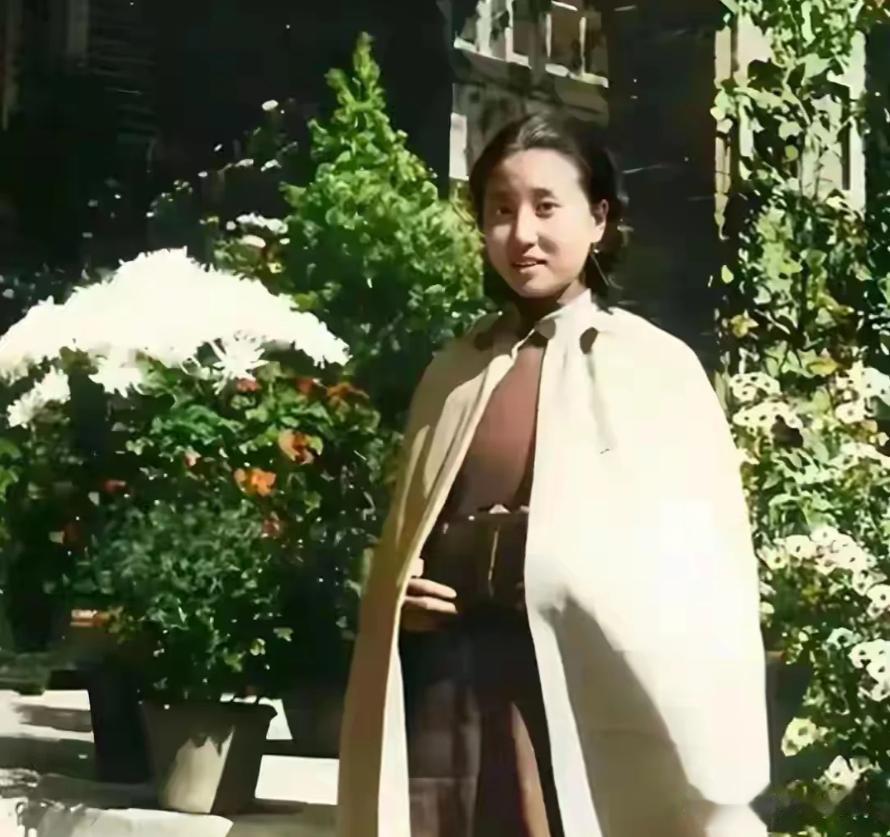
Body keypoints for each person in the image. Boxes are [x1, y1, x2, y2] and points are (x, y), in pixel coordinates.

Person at [336, 111, 770, 837]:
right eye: (500, 210)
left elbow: (704, 570)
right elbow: (407, 533)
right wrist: (399, 596)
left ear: (598, 219)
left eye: (546, 207)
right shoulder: (455, 370)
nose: (521, 234)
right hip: (452, 684)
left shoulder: (655, 368)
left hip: (583, 689)